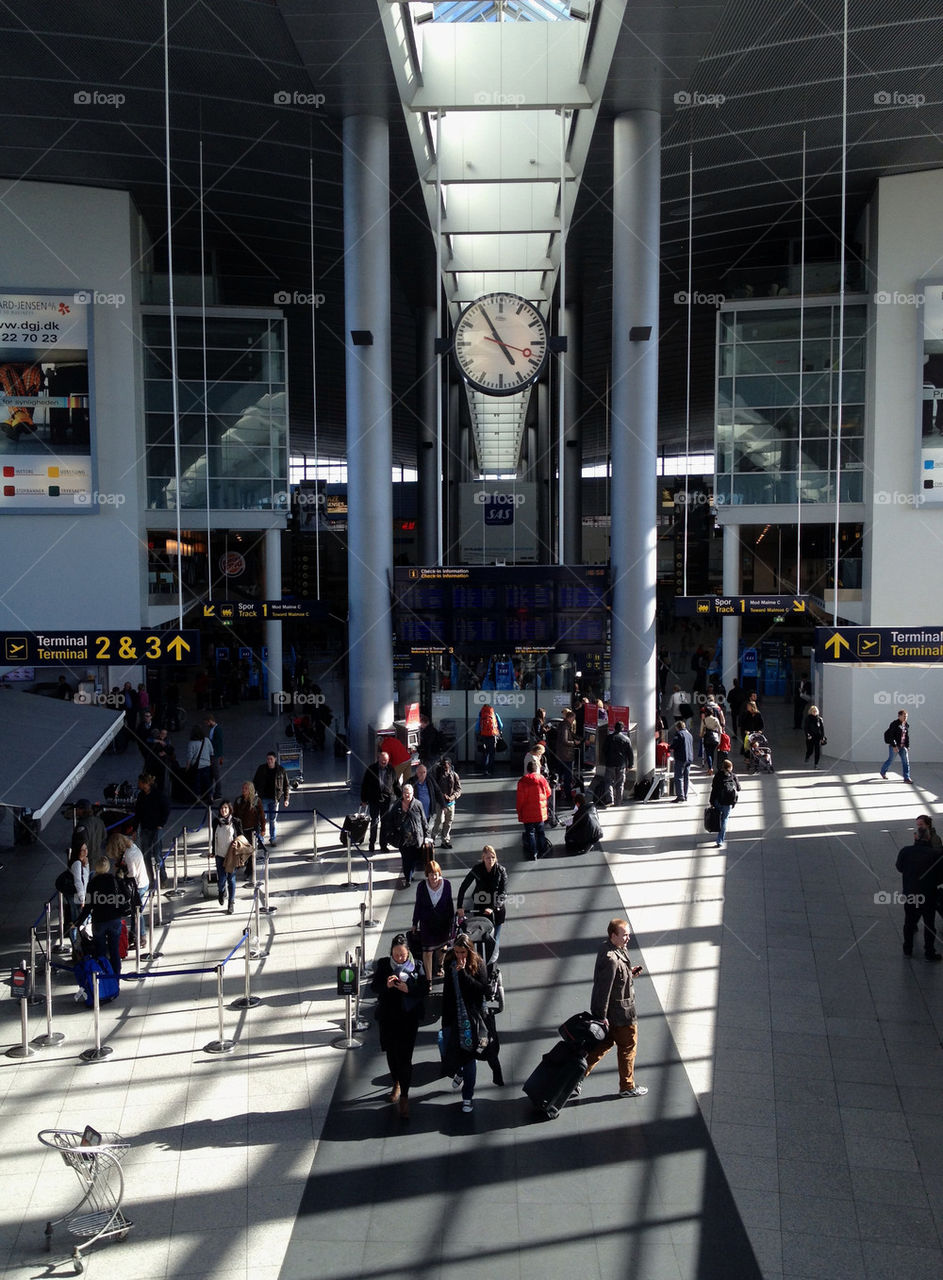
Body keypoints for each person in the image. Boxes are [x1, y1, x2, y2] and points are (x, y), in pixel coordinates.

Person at [578, 918, 647, 1100]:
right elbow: (603, 990)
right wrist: (600, 1016)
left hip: (610, 1016)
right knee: (628, 1048)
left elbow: (612, 981)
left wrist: (629, 973)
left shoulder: (608, 949)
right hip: (622, 1015)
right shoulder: (612, 960)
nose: (628, 938)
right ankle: (627, 1086)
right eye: (624, 935)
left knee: (600, 1047)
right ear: (613, 935)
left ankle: (575, 1077)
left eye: (628, 934)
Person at [371, 933, 429, 1119]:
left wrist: (409, 989)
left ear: (408, 952)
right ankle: (396, 1080)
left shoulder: (417, 966)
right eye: (396, 955)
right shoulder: (383, 965)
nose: (399, 958)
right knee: (391, 1053)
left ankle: (404, 1095)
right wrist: (386, 986)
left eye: (402, 955)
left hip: (408, 1019)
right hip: (388, 1018)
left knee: (405, 1058)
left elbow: (424, 989)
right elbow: (374, 987)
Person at [439, 932, 490, 1113]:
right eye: (457, 952)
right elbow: (447, 992)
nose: (460, 956)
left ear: (469, 951)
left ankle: (467, 1096)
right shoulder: (449, 962)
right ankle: (459, 1071)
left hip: (471, 1019)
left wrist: (463, 974)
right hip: (453, 1016)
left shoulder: (479, 965)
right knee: (446, 1048)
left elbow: (481, 990)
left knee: (469, 1058)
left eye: (463, 952)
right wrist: (444, 1019)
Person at [76, 854, 130, 981]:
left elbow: (88, 906)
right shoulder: (114, 880)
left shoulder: (92, 883)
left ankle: (103, 978)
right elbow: (126, 896)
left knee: (100, 952)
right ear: (107, 867)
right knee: (114, 950)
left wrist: (78, 922)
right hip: (114, 920)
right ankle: (116, 977)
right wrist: (121, 880)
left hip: (99, 921)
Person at [896, 822, 941, 960]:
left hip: (910, 893)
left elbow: (899, 867)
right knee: (929, 924)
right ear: (928, 838)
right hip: (928, 895)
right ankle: (929, 952)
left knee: (909, 922)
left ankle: (907, 949)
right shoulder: (936, 855)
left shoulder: (905, 851)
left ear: (915, 837)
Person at [412, 860, 455, 982]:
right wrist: (415, 923)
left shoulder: (446, 884)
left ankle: (440, 966)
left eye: (436, 873)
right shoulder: (421, 886)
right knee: (427, 951)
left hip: (443, 923)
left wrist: (452, 922)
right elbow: (418, 905)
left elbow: (449, 903)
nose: (434, 877)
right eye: (431, 874)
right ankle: (428, 979)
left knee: (442, 947)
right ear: (427, 875)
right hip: (427, 923)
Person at [456, 845, 508, 942]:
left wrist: (492, 908)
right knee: (479, 937)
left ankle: (493, 956)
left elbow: (503, 894)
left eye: (493, 857)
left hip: (496, 909)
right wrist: (459, 906)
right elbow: (463, 887)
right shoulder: (477, 869)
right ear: (483, 858)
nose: (491, 860)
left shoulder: (501, 871)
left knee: (494, 939)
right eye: (488, 857)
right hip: (480, 907)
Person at [108, 830, 150, 946]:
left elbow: (132, 873)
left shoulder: (129, 855)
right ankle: (134, 934)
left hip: (138, 885)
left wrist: (122, 875)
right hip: (143, 881)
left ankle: (141, 936)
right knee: (135, 911)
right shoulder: (132, 847)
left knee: (137, 912)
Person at [390, 782, 429, 889]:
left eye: (409, 793)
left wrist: (427, 835)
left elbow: (423, 821)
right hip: (403, 839)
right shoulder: (397, 805)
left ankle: (410, 874)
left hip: (416, 839)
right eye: (405, 793)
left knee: (414, 859)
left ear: (413, 793)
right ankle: (408, 878)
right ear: (402, 794)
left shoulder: (418, 804)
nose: (407, 795)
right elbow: (391, 820)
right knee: (406, 860)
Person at [360, 749, 398, 852]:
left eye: (385, 761)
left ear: (388, 760)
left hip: (387, 800)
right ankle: (371, 843)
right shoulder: (371, 769)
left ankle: (383, 845)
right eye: (382, 761)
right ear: (378, 759)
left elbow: (396, 784)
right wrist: (364, 799)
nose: (384, 762)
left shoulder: (391, 769)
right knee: (374, 822)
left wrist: (400, 797)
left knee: (385, 823)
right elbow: (365, 785)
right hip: (374, 799)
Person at [516, 759, 552, 860]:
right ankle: (543, 849)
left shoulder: (522, 781)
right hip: (540, 812)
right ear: (537, 769)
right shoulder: (542, 779)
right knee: (540, 831)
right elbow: (549, 792)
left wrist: (519, 810)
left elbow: (520, 799)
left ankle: (533, 853)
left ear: (527, 770)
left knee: (530, 833)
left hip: (527, 813)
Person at [211, 800, 243, 914]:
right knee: (221, 879)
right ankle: (221, 891)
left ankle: (231, 903)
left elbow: (241, 838)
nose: (223, 810)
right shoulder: (216, 822)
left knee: (231, 879)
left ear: (229, 810)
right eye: (221, 808)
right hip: (219, 855)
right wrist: (213, 851)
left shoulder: (236, 821)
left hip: (231, 855)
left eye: (226, 808)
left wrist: (237, 843)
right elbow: (213, 838)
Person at [132, 773, 169, 868]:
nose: (138, 784)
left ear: (145, 783)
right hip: (145, 828)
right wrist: (135, 829)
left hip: (156, 828)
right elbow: (138, 813)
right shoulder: (141, 796)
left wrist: (161, 824)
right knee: (146, 855)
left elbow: (166, 809)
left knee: (157, 854)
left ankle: (162, 877)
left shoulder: (158, 794)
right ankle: (151, 879)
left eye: (139, 782)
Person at [253, 750, 290, 845]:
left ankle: (273, 838)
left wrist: (286, 799)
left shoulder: (281, 770)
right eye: (268, 759)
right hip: (263, 798)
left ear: (275, 759)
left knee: (273, 820)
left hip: (275, 799)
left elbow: (286, 785)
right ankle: (260, 839)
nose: (269, 761)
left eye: (271, 759)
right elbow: (255, 782)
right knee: (263, 819)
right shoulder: (261, 769)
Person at [233, 780, 266, 880]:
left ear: (251, 790)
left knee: (251, 851)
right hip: (241, 830)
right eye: (243, 788)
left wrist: (263, 828)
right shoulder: (238, 800)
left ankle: (249, 871)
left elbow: (262, 816)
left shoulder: (256, 801)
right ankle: (243, 864)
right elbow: (234, 814)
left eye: (246, 788)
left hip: (253, 830)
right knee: (243, 850)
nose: (243, 790)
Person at [709, 758, 740, 848]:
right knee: (724, 820)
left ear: (723, 767)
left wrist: (711, 801)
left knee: (718, 817)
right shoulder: (733, 776)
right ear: (731, 767)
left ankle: (717, 831)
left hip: (718, 801)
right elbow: (739, 788)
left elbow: (714, 790)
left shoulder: (718, 776)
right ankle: (720, 840)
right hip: (728, 803)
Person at [431, 757, 461, 849]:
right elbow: (435, 788)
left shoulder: (454, 775)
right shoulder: (437, 775)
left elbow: (458, 789)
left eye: (446, 765)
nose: (445, 767)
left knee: (448, 822)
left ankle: (445, 840)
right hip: (441, 803)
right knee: (439, 821)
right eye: (443, 765)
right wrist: (442, 796)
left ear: (450, 765)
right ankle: (432, 839)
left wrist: (452, 797)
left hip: (451, 803)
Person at [603, 720, 633, 805]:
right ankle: (619, 801)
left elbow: (604, 750)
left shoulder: (609, 738)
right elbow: (630, 753)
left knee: (608, 782)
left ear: (614, 728)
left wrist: (606, 759)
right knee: (620, 783)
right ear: (622, 729)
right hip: (621, 764)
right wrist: (630, 764)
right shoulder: (626, 739)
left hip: (610, 763)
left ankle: (610, 800)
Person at [409, 761, 444, 836]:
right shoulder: (411, 781)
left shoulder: (430, 780)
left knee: (427, 830)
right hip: (416, 813)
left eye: (424, 772)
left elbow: (438, 791)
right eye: (420, 772)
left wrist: (443, 805)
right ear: (416, 773)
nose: (422, 774)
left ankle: (426, 845)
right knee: (418, 831)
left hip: (428, 812)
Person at [881, 709, 912, 783]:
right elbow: (891, 736)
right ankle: (883, 772)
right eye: (904, 716)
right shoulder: (894, 724)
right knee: (890, 760)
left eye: (906, 716)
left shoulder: (906, 725)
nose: (905, 717)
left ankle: (906, 778)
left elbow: (906, 736)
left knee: (906, 762)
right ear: (899, 716)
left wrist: (907, 746)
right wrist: (894, 746)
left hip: (903, 746)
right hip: (894, 746)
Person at [73, 799, 107, 865]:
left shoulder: (82, 824)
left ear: (81, 809)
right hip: (97, 858)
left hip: (85, 861)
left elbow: (80, 845)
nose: (76, 811)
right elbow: (104, 836)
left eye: (77, 809)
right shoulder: (99, 821)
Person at [186, 725, 213, 805]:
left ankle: (198, 798)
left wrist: (187, 767)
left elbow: (190, 757)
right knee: (207, 782)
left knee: (197, 783)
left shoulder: (191, 743)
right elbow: (211, 751)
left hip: (196, 766)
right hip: (207, 764)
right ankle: (210, 796)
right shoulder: (206, 740)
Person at [555, 708, 579, 802]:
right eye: (573, 718)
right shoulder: (566, 726)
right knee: (567, 777)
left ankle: (557, 793)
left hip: (560, 754)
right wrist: (574, 743)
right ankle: (568, 796)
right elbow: (565, 740)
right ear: (570, 718)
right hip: (566, 755)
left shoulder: (562, 724)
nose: (574, 720)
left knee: (559, 775)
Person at [476, 701, 503, 777]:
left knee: (485, 753)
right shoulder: (494, 714)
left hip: (484, 736)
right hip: (493, 735)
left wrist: (479, 733)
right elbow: (501, 725)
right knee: (492, 753)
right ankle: (491, 769)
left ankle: (485, 770)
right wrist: (498, 731)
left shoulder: (481, 715)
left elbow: (477, 727)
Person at [670, 719, 694, 802]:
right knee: (686, 777)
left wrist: (670, 747)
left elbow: (674, 745)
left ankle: (680, 796)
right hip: (689, 759)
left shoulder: (679, 734)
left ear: (677, 727)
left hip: (681, 758)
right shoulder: (689, 735)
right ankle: (685, 795)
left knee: (679, 777)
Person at [203, 714, 225, 801]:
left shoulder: (217, 730)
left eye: (206, 723)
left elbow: (219, 744)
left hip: (214, 755)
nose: (206, 725)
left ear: (210, 721)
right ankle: (213, 793)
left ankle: (218, 793)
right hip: (213, 755)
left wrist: (219, 756)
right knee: (213, 774)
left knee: (216, 774)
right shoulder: (214, 729)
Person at [700, 704, 722, 773]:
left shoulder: (704, 720)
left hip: (707, 738)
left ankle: (710, 768)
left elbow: (701, 731)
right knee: (712, 753)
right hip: (715, 738)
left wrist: (701, 735)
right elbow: (720, 730)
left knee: (708, 753)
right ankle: (711, 766)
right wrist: (719, 740)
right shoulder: (716, 719)